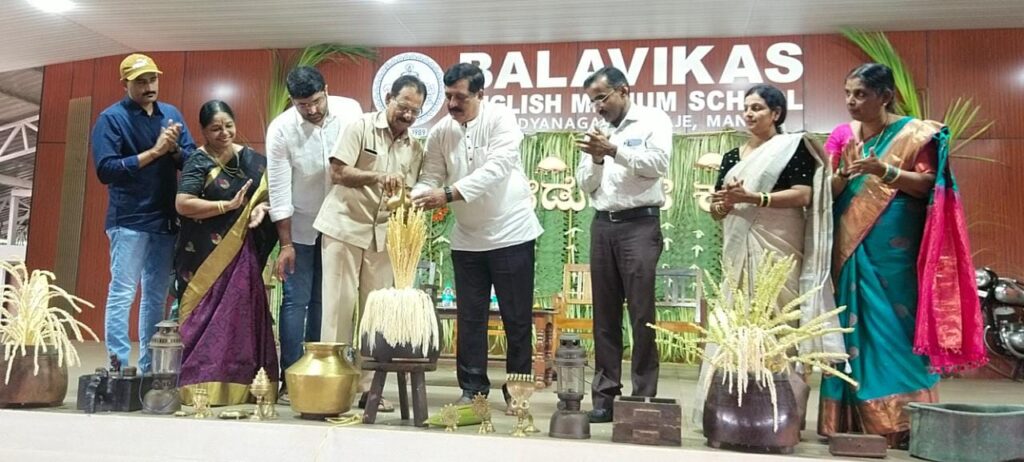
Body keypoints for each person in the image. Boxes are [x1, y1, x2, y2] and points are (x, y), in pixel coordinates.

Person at [819, 63, 986, 448]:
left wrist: (885, 170)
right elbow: (829, 191)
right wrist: (842, 175)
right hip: (849, 245)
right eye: (847, 93)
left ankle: (902, 419)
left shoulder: (915, 134)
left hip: (896, 250)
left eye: (860, 94)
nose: (851, 101)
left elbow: (930, 184)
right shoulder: (844, 135)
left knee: (896, 325)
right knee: (850, 328)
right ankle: (852, 422)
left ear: (886, 96)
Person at [699, 83, 842, 425]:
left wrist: (755, 198)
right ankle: (737, 410)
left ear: (776, 113)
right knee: (738, 323)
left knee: (781, 321)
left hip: (779, 244)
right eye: (746, 107)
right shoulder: (732, 157)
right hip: (738, 246)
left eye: (757, 108)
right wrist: (722, 205)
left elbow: (804, 194)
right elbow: (720, 207)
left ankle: (784, 413)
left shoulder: (793, 147)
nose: (749, 114)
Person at [412, 63, 543, 406]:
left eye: (461, 97)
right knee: (470, 319)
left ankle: (518, 390)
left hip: (512, 233)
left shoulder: (501, 119)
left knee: (516, 318)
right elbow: (431, 175)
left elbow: (497, 168)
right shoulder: (441, 131)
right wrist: (415, 197)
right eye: (448, 96)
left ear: (480, 94)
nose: (452, 104)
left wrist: (447, 194)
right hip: (468, 239)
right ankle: (473, 390)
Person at [314, 75, 428, 412]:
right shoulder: (360, 127)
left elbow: (410, 191)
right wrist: (378, 177)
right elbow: (338, 172)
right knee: (338, 309)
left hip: (383, 237)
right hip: (344, 227)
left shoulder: (415, 148)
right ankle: (331, 386)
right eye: (403, 106)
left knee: (375, 314)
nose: (408, 115)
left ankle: (368, 390)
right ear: (388, 98)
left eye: (415, 111)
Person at [575, 66, 670, 423]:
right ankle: (604, 398)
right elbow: (586, 184)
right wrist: (597, 157)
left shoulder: (652, 120)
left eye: (602, 98)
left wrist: (613, 150)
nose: (598, 107)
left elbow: (658, 164)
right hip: (603, 225)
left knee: (642, 314)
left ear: (624, 91)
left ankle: (643, 396)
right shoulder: (597, 132)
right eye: (592, 101)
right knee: (604, 315)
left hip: (640, 225)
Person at [90, 53, 196, 373]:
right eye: (140, 82)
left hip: (164, 219)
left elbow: (192, 160)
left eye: (152, 79)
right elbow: (106, 170)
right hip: (129, 221)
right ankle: (118, 367)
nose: (149, 86)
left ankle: (152, 368)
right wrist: (154, 152)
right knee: (123, 293)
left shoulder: (171, 114)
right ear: (125, 84)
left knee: (156, 296)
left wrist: (174, 149)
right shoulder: (111, 119)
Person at [173, 100, 279, 405]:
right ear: (203, 131)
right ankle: (200, 383)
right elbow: (183, 203)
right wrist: (226, 206)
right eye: (215, 129)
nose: (224, 133)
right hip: (204, 256)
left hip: (242, 255)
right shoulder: (199, 161)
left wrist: (260, 207)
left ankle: (246, 383)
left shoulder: (253, 161)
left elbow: (271, 197)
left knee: (241, 315)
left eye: (228, 126)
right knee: (205, 319)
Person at [266, 66, 362, 398]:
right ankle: (291, 377)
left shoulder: (350, 111)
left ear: (326, 89)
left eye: (316, 101)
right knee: (296, 300)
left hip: (341, 224)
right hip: (301, 227)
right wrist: (286, 244)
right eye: (302, 104)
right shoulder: (281, 129)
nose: (311, 109)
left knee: (327, 300)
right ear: (292, 101)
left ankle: (321, 372)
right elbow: (279, 190)